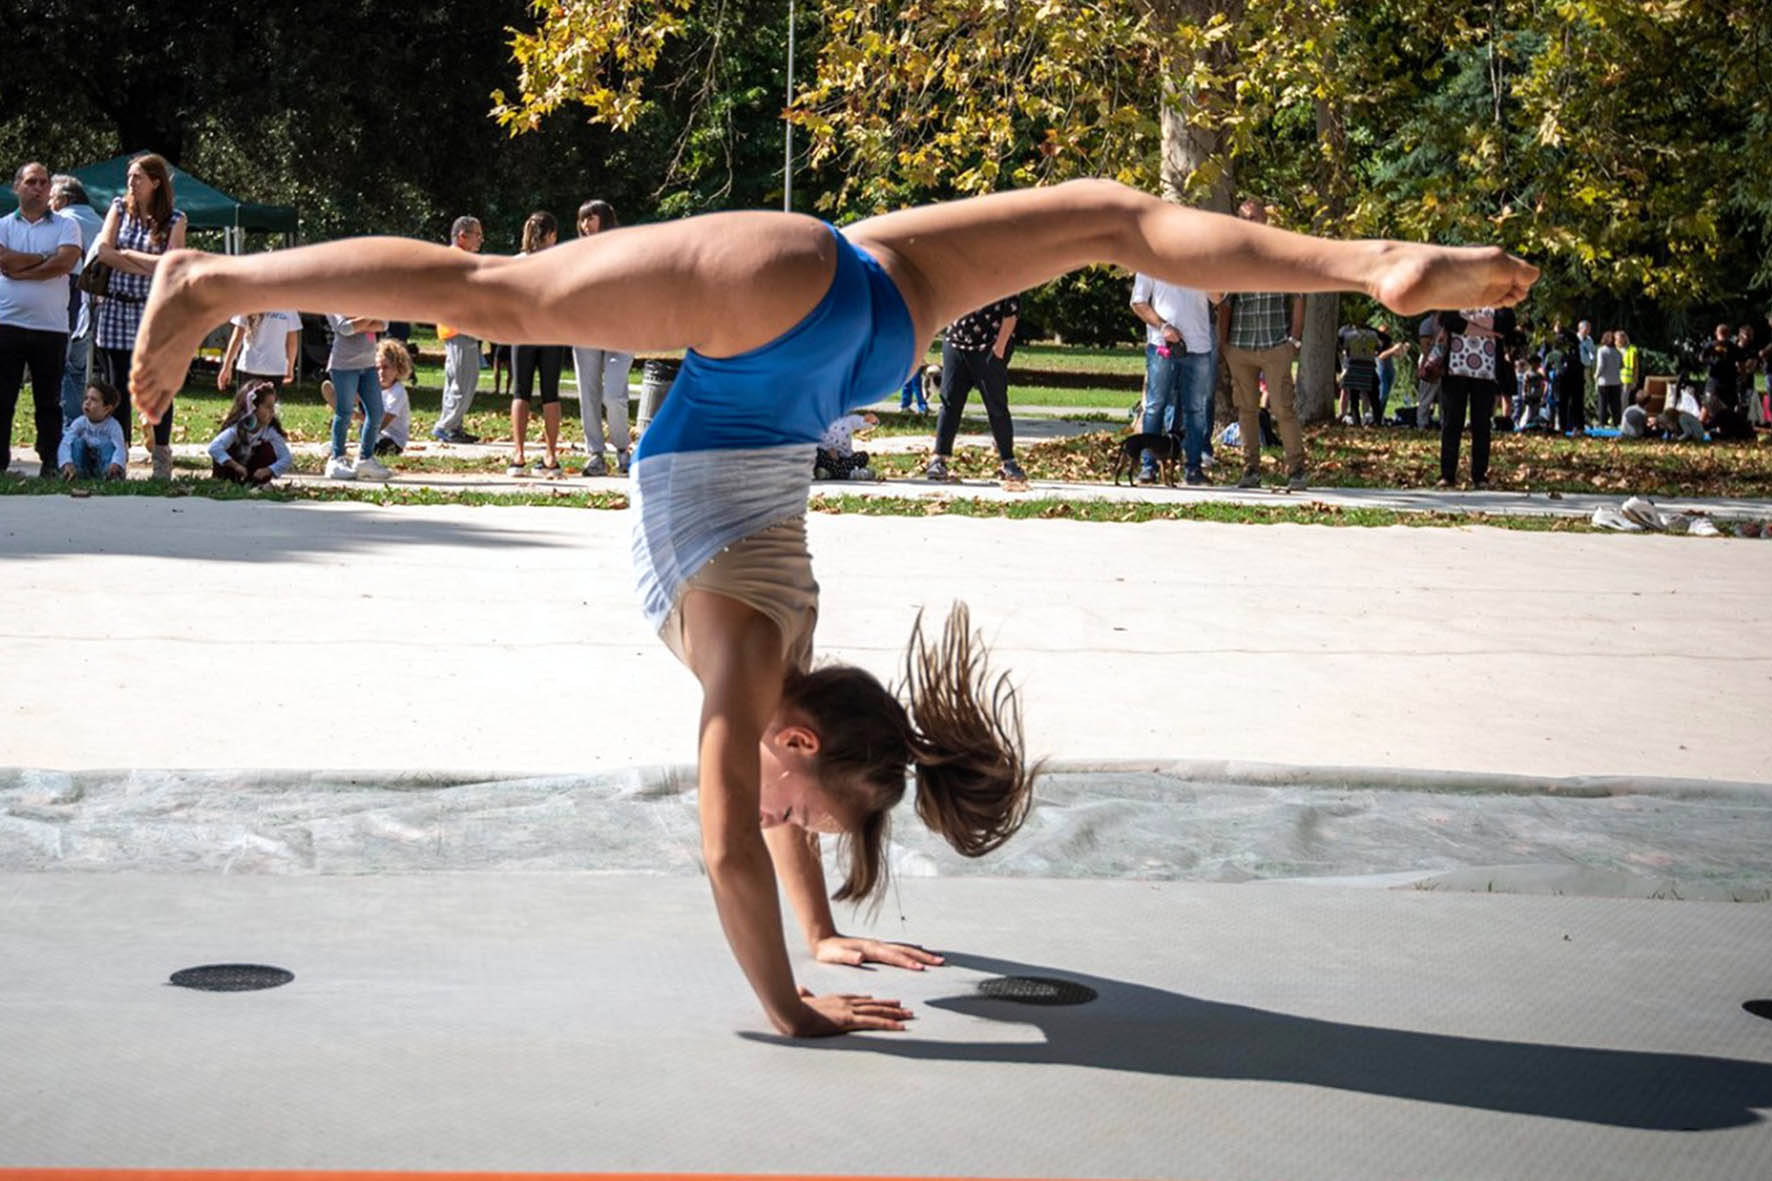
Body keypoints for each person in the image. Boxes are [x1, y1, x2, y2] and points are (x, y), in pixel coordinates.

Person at [127, 179, 1537, 1036]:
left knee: (1113, 215)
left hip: (871, 321)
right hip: (779, 311)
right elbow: (731, 852)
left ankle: (1366, 265)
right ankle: (212, 278)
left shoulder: (793, 658)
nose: (781, 813)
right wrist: (788, 1004)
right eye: (803, 799)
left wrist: (827, 926)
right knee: (496, 291)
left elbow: (777, 809)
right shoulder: (745, 664)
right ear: (797, 745)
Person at [93, 153, 186, 479]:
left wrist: (128, 255)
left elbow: (173, 265)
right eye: (130, 176)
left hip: (153, 311)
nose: (131, 182)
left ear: (156, 182)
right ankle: (118, 458)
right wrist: (148, 262)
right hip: (117, 307)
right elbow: (104, 252)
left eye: (138, 177)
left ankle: (161, 458)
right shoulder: (118, 208)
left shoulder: (175, 219)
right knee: (117, 389)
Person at [1217, 201, 1307, 489]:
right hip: (1240, 346)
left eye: (1253, 217)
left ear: (1265, 220)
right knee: (1246, 410)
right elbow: (1225, 305)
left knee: (1283, 408)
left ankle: (1296, 470)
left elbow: (1298, 299)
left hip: (1275, 344)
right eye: (1243, 218)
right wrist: (1224, 344)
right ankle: (1250, 470)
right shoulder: (1232, 260)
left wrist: (1294, 339)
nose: (1249, 222)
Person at [0, 161, 81, 478]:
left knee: (49, 401)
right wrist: (46, 259)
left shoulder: (66, 225)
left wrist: (22, 266)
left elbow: (65, 263)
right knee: (1, 398)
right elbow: (3, 260)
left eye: (44, 183)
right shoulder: (3, 225)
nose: (38, 188)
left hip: (51, 327)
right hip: (6, 323)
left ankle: (50, 461)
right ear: (17, 186)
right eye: (31, 182)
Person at [922, 294, 1027, 486]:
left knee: (996, 406)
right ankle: (939, 459)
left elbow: (1011, 310)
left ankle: (1008, 462)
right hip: (956, 343)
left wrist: (999, 348)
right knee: (949, 403)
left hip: (989, 346)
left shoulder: (1005, 270)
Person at [569, 200, 634, 477]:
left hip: (622, 328)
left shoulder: (624, 247)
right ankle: (595, 454)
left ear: (604, 219)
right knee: (589, 393)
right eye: (582, 220)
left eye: (591, 218)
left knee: (613, 393)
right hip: (585, 329)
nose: (585, 225)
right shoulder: (576, 252)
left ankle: (622, 448)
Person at [1128, 272, 1214, 484]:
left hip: (1199, 346)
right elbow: (1138, 302)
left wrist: (1211, 276)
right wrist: (1163, 326)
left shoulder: (1205, 260)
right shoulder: (1150, 259)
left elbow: (1218, 298)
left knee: (1196, 408)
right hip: (1162, 345)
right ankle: (1148, 467)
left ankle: (1193, 468)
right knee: (1155, 405)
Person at [510, 211, 568, 478]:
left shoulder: (518, 262)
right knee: (550, 394)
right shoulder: (559, 261)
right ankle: (551, 455)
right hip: (552, 333)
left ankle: (518, 454)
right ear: (552, 234)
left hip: (522, 333)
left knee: (520, 392)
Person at [1437, 305, 1515, 487]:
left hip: (1486, 374)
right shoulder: (1456, 295)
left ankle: (1479, 475)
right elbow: (1449, 320)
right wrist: (1487, 330)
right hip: (1455, 370)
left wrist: (1469, 318)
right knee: (1451, 423)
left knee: (1482, 425)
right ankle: (1447, 474)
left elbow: (1506, 323)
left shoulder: (1499, 298)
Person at [50, 174, 104, 432]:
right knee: (78, 368)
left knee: (65, 369)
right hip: (97, 305)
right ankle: (77, 428)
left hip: (68, 303)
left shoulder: (63, 221)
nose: (49, 202)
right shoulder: (101, 222)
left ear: (63, 199)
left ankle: (68, 430)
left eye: (52, 197)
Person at [431, 216, 485, 445]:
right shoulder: (457, 260)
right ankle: (445, 426)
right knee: (465, 381)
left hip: (455, 327)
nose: (481, 239)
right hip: (459, 327)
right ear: (462, 236)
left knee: (455, 381)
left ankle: (454, 427)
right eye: (477, 234)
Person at [320, 311, 391, 481]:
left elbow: (384, 324)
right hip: (343, 366)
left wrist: (359, 322)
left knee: (376, 413)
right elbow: (344, 328)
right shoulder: (334, 300)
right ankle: (337, 458)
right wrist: (371, 316)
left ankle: (365, 459)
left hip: (368, 365)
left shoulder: (365, 298)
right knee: (344, 411)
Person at [206, 379, 293, 485]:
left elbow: (286, 458)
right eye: (268, 407)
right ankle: (222, 482)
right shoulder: (237, 429)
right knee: (226, 449)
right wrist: (235, 466)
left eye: (273, 407)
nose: (272, 412)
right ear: (252, 408)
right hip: (230, 473)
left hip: (253, 474)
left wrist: (268, 470)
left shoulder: (269, 432)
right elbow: (214, 447)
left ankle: (256, 484)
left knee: (268, 449)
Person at [216, 306, 300, 395]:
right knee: (268, 406)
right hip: (275, 367)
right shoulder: (288, 307)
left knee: (246, 405)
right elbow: (292, 342)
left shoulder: (247, 303)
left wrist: (227, 367)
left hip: (249, 365)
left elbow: (237, 338)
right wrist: (290, 367)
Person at [57, 378, 127, 480]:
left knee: (107, 445)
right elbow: (66, 443)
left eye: (93, 400)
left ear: (107, 408)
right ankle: (74, 475)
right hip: (84, 465)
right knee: (77, 442)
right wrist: (66, 462)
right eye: (86, 398)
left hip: (104, 466)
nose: (87, 403)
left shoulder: (113, 426)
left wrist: (115, 464)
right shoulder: (79, 422)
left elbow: (120, 448)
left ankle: (111, 477)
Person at [1336, 320, 1381, 425]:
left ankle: (1356, 421)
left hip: (1354, 367)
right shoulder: (1373, 335)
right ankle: (1377, 421)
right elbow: (1378, 347)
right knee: (1374, 398)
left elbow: (1344, 348)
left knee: (1354, 398)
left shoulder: (1349, 335)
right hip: (1369, 367)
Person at [815, 411, 877, 480]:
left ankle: (831, 473)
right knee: (818, 454)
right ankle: (850, 474)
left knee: (863, 456)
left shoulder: (849, 419)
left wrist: (871, 420)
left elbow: (862, 422)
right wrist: (828, 449)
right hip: (827, 456)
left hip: (845, 459)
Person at [1594, 330, 1625, 426]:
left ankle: (1602, 423)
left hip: (1604, 381)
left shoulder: (1601, 350)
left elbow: (1601, 366)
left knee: (1602, 404)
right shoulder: (1618, 352)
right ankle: (1617, 422)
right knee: (1615, 405)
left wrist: (1596, 375)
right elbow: (1621, 366)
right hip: (1616, 381)